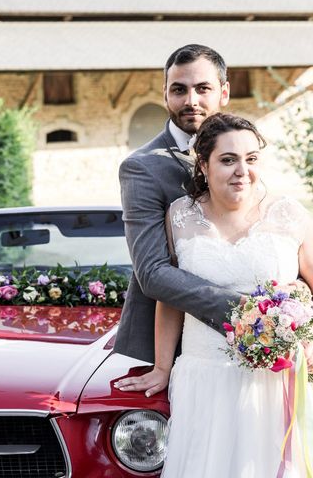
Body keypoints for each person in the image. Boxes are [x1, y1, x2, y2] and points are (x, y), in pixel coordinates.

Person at [119, 113, 313, 476]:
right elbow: (171, 296)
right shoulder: (180, 215)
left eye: (251, 159)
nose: (242, 170)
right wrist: (162, 367)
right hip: (203, 378)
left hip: (273, 383)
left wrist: (308, 341)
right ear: (204, 166)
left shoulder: (290, 214)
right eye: (228, 160)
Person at [114, 44, 242, 365]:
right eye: (179, 90)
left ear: (223, 92)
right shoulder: (141, 167)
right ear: (165, 94)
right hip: (180, 348)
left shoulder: (246, 151)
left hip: (260, 340)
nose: (191, 101)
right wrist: (243, 310)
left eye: (203, 89)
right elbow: (153, 273)